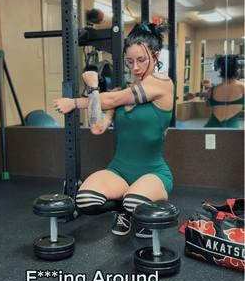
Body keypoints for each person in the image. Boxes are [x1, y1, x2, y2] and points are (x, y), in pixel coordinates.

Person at [53, 23, 174, 237]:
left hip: (153, 172)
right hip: (119, 170)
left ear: (155, 56)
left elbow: (114, 99)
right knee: (85, 199)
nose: (135, 67)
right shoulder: (121, 91)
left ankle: (145, 204)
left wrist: (74, 101)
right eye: (130, 61)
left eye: (141, 60)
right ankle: (124, 209)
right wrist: (91, 89)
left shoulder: (162, 83)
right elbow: (97, 127)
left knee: (135, 199)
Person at [204, 54, 244, 128]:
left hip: (211, 127)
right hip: (232, 129)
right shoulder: (242, 87)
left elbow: (208, 107)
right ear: (236, 69)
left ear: (220, 70)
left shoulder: (212, 90)